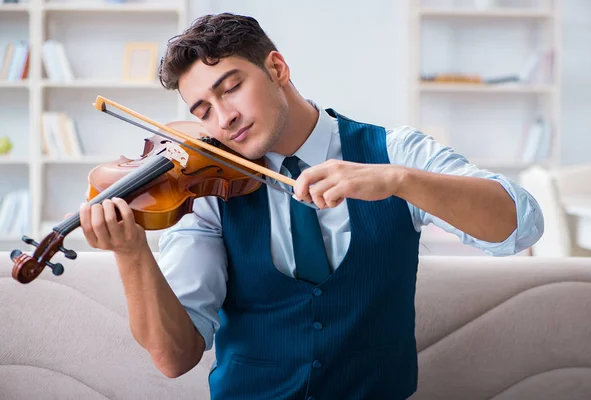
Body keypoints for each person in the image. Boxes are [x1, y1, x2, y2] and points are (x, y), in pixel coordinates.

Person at [77, 12, 544, 400]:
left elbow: (520, 225)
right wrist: (133, 255)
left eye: (231, 87)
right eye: (202, 111)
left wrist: (400, 181)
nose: (224, 118)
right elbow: (175, 358)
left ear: (277, 68)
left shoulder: (395, 153)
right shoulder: (206, 189)